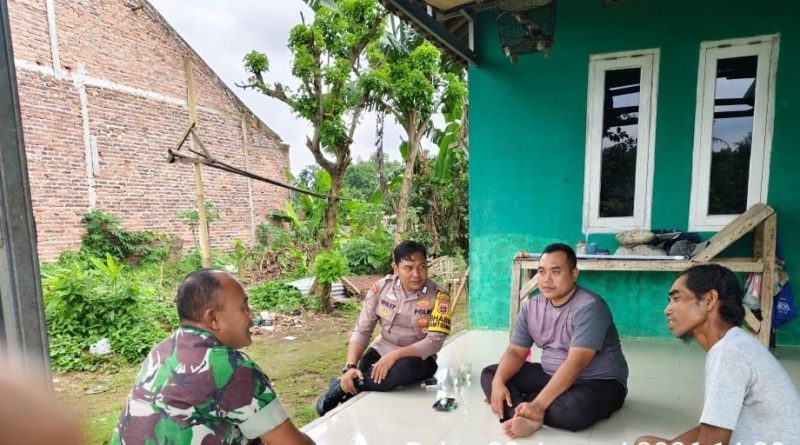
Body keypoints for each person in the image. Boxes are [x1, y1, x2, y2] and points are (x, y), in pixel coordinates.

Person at [112, 269, 314, 445]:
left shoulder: (162, 351)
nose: (251, 316)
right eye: (244, 308)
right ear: (213, 318)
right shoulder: (232, 368)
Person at [635, 264, 800, 445]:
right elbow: (712, 426)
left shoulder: (729, 353)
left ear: (709, 300)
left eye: (676, 299)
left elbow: (713, 441)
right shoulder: (735, 343)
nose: (667, 309)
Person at [481, 243, 628, 439]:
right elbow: (516, 351)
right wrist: (499, 382)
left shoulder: (590, 306)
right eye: (541, 272)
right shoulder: (531, 307)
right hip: (550, 374)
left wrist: (538, 404)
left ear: (574, 274)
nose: (546, 279)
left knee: (575, 410)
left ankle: (526, 408)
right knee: (491, 375)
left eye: (556, 271)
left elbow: (576, 363)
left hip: (598, 382)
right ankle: (528, 411)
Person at [315, 240, 454, 416]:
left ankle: (339, 389)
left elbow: (434, 342)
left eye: (422, 267)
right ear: (396, 268)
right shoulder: (381, 288)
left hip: (417, 358)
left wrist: (395, 355)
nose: (416, 274)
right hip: (382, 349)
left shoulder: (439, 296)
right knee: (365, 369)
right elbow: (362, 330)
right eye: (408, 268)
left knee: (399, 372)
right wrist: (350, 367)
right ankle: (349, 383)